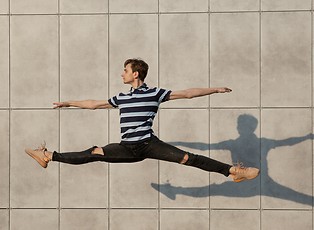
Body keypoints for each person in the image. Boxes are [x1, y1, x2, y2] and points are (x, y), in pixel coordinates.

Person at [25, 58, 259, 183]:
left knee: (189, 158)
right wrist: (69, 103)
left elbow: (187, 93)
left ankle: (233, 171)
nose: (122, 73)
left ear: (135, 73)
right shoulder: (121, 98)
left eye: (125, 70)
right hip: (127, 148)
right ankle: (47, 155)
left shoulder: (154, 93)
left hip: (149, 144)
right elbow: (94, 104)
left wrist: (215, 89)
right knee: (93, 153)